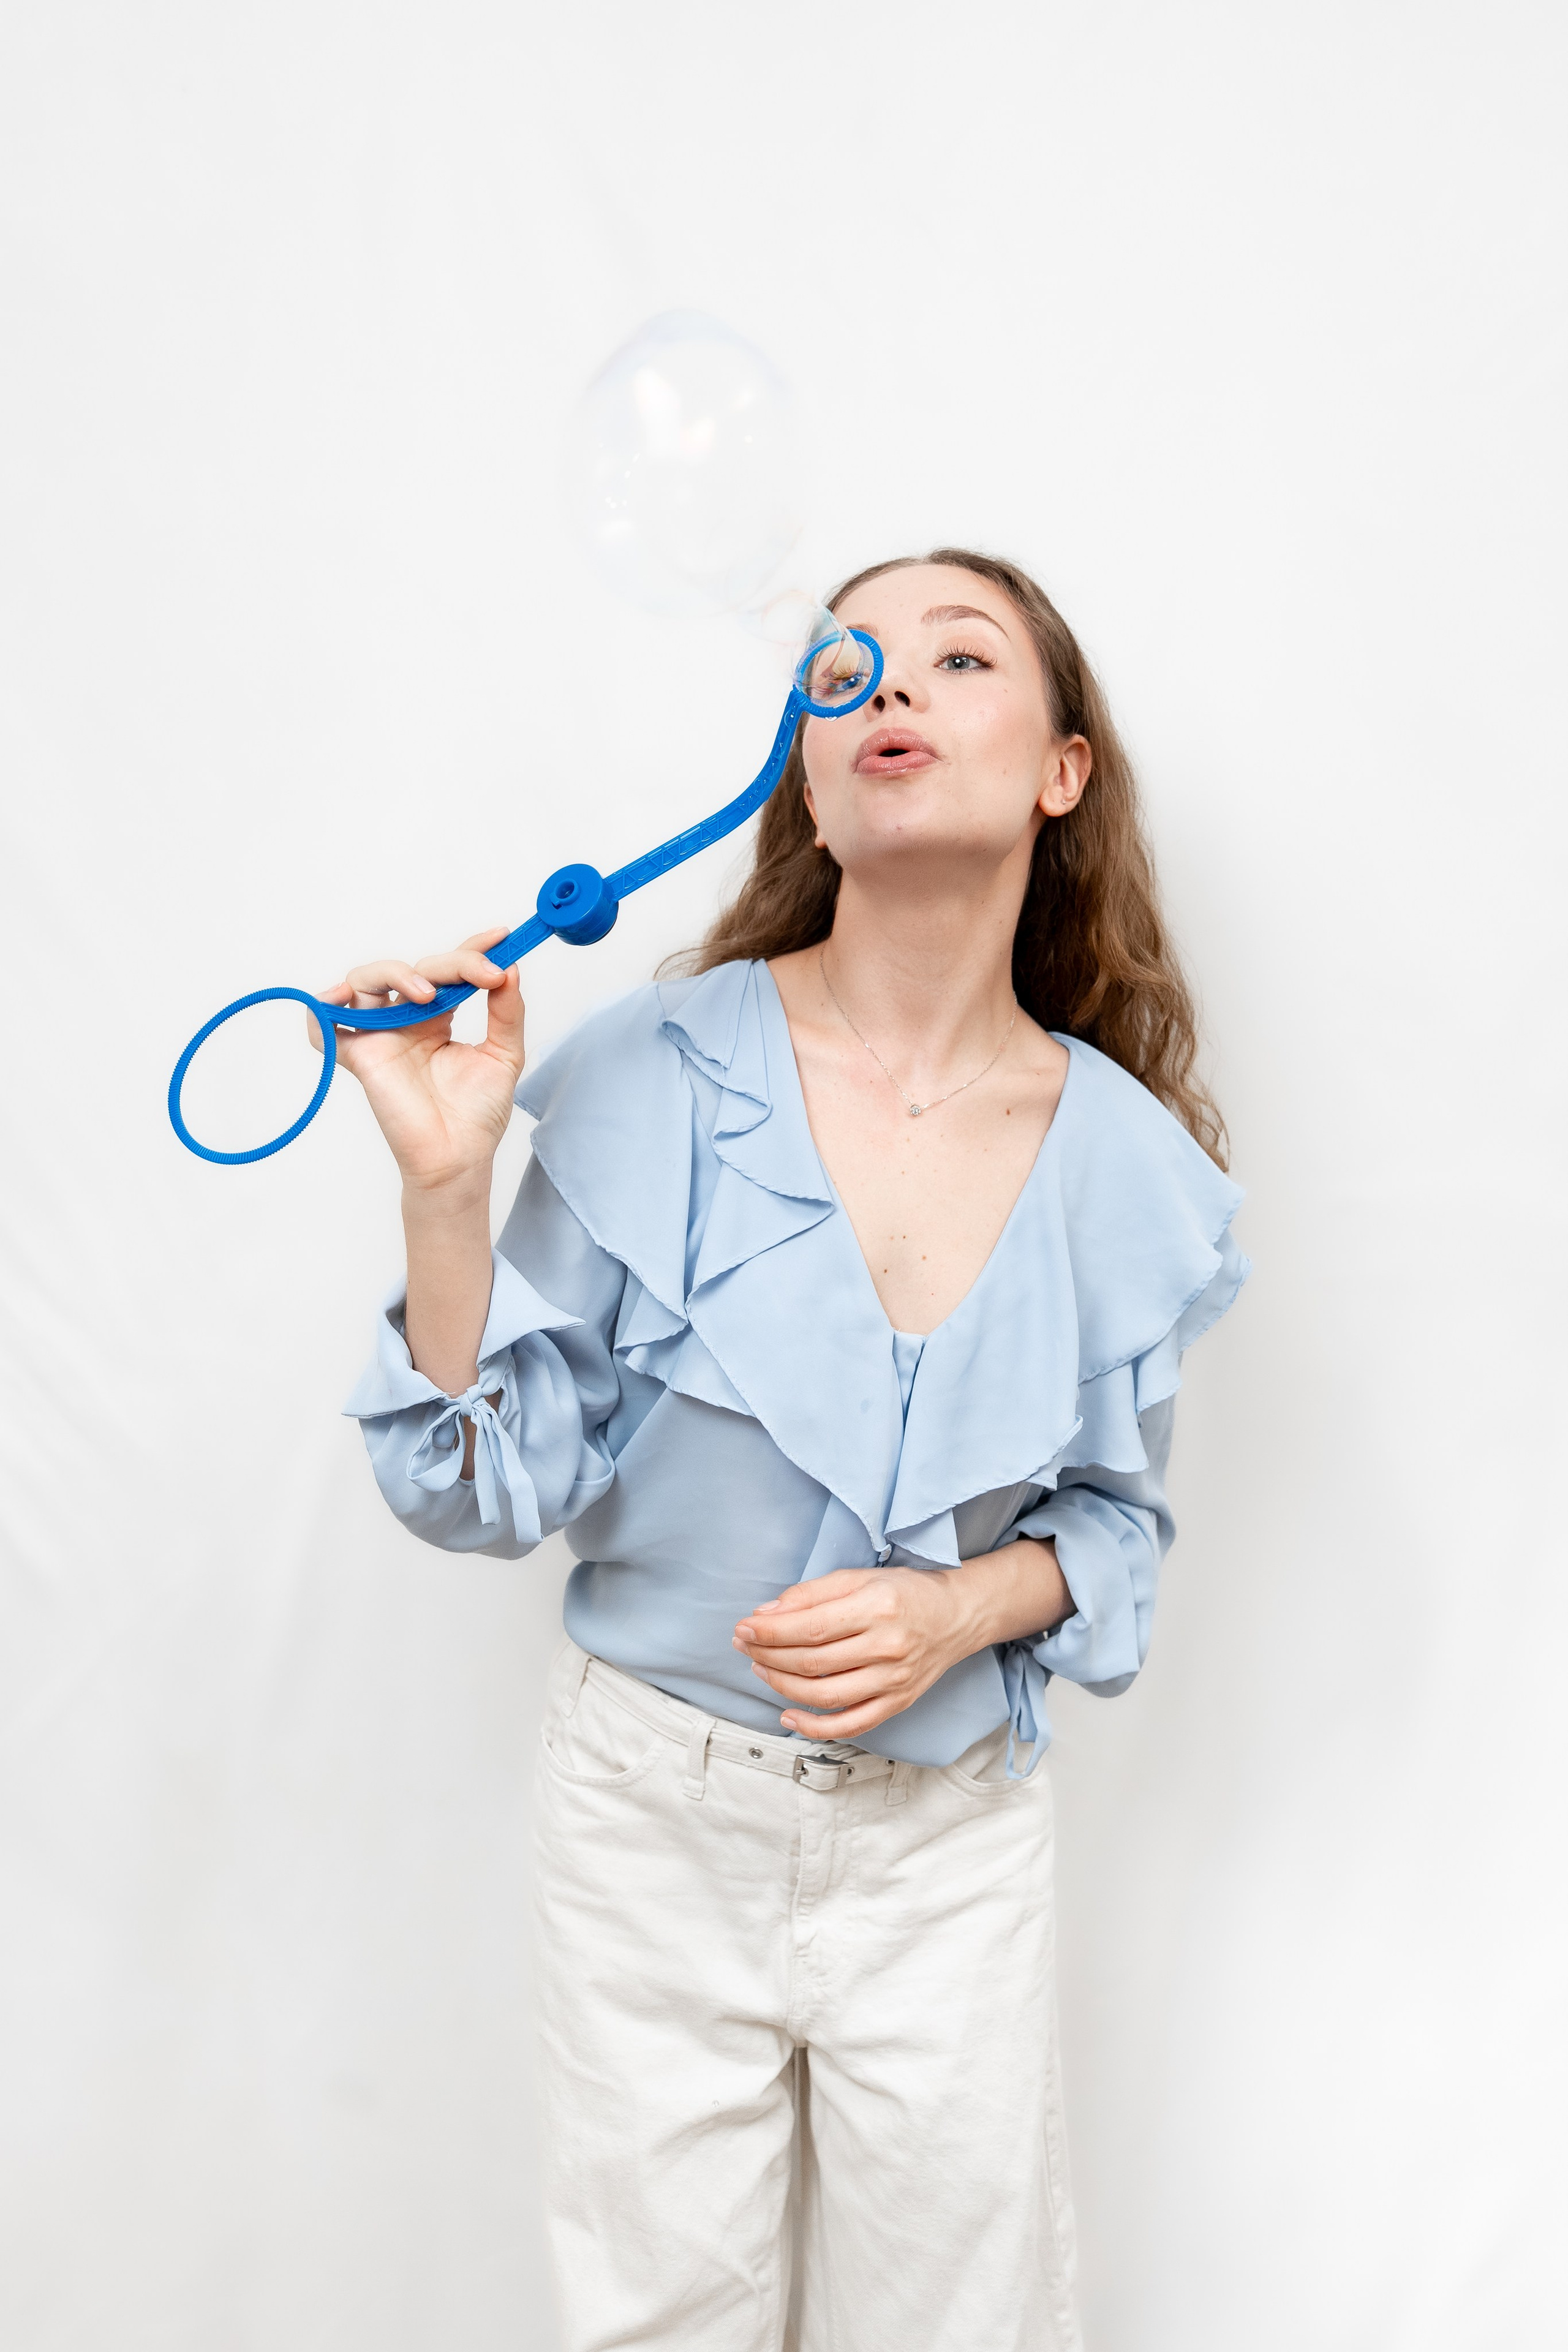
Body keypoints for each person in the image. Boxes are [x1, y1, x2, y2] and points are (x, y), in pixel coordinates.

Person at [329, 550, 1248, 2352]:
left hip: (949, 1845)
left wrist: (957, 1608)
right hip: (650, 1819)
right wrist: (448, 1196)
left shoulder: (1135, 1172)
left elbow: (1110, 1539)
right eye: (849, 670)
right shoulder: (651, 1069)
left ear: (1064, 769)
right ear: (802, 778)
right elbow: (481, 1488)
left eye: (958, 657)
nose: (890, 688)